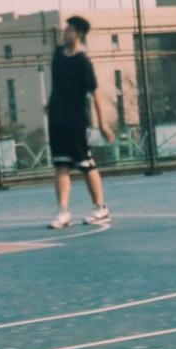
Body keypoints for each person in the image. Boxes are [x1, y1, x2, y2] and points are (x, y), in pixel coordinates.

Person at [47, 16, 115, 230]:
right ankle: (63, 212)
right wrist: (51, 106)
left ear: (79, 34)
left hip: (76, 121)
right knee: (61, 165)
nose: (64, 32)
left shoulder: (83, 62)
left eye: (69, 30)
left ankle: (101, 208)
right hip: (57, 120)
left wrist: (103, 125)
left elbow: (95, 94)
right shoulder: (58, 55)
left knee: (86, 164)